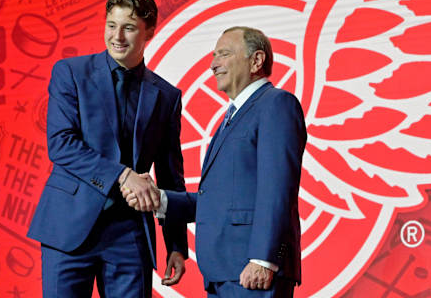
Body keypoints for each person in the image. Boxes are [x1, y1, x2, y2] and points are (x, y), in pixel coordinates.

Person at [27, 0, 187, 298]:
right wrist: (123, 174)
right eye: (111, 25)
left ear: (149, 31)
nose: (117, 36)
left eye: (128, 27)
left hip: (130, 234)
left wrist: (177, 245)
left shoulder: (167, 96)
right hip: (69, 227)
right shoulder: (70, 73)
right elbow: (61, 144)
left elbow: (170, 175)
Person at [125, 26, 307, 297]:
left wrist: (262, 259)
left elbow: (278, 188)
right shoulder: (233, 117)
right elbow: (220, 200)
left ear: (256, 60)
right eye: (213, 56)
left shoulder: (276, 104)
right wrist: (161, 200)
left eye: (224, 54)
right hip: (224, 274)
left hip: (252, 272)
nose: (213, 65)